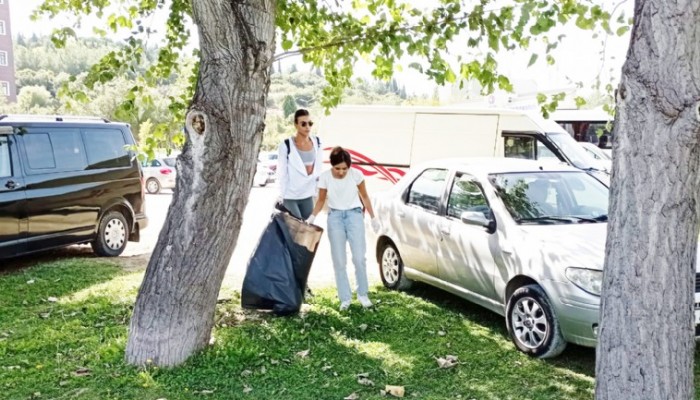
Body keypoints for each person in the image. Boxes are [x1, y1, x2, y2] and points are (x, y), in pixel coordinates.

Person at [306, 147, 380, 311]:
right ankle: (345, 298)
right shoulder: (325, 177)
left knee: (359, 258)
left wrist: (373, 217)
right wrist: (312, 217)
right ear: (332, 166)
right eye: (337, 168)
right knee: (339, 260)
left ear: (349, 166)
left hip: (354, 216)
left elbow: (365, 196)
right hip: (335, 218)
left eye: (344, 168)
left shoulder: (356, 175)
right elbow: (320, 200)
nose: (341, 172)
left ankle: (363, 294)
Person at [276, 109, 324, 220]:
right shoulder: (286, 145)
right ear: (296, 125)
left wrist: (317, 189)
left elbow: (318, 170)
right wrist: (282, 195)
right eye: (303, 124)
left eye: (310, 123)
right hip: (290, 195)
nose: (307, 127)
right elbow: (282, 172)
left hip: (307, 194)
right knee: (296, 228)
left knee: (307, 231)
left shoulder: (317, 142)